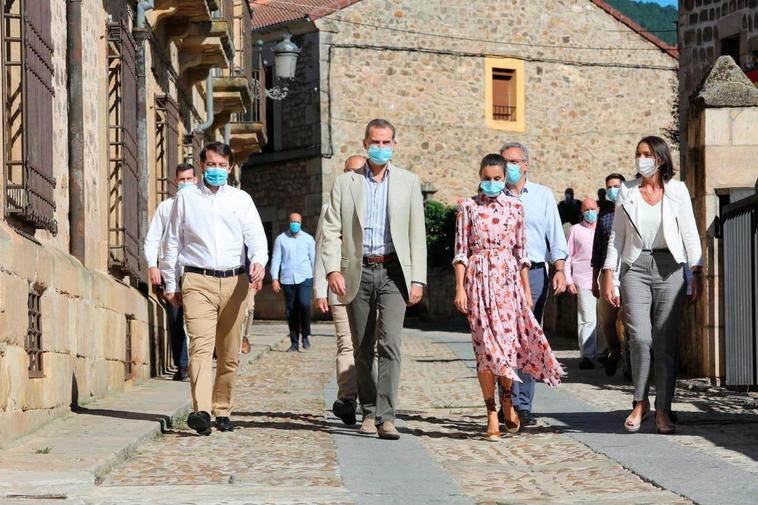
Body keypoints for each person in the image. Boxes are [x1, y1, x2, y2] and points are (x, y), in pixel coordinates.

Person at [321, 119, 427, 440]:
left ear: (394, 145)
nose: (381, 148)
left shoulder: (409, 182)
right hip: (359, 269)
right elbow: (331, 230)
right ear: (365, 144)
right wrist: (332, 269)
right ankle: (367, 410)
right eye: (375, 142)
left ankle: (387, 416)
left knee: (391, 344)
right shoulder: (345, 183)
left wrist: (418, 279)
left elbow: (416, 234)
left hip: (395, 272)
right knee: (363, 347)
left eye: (386, 142)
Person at [160, 142, 268, 436]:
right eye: (211, 164)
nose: (216, 170)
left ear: (230, 168)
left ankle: (222, 409)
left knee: (229, 352)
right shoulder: (186, 199)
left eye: (222, 165)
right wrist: (171, 282)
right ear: (202, 166)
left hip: (235, 282)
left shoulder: (241, 199)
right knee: (200, 347)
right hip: (197, 280)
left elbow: (256, 237)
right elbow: (172, 242)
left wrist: (258, 261)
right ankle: (201, 411)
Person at [454, 154, 563, 441]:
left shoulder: (515, 207)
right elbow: (461, 252)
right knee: (484, 349)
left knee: (506, 346)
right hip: (477, 281)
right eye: (487, 178)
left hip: (507, 282)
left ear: (504, 179)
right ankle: (491, 412)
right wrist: (460, 288)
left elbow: (521, 252)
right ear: (479, 175)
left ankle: (507, 399)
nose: (491, 183)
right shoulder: (467, 207)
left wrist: (527, 290)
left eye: (497, 179)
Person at [601, 136, 702, 435]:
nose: (640, 159)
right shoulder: (627, 192)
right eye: (637, 154)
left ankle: (663, 411)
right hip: (635, 267)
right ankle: (640, 402)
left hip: (670, 268)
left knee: (665, 341)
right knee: (640, 338)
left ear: (660, 158)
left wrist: (696, 272)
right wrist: (609, 272)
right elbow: (617, 237)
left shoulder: (677, 190)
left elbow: (690, 234)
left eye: (646, 154)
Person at [500, 142, 568, 427]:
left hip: (536, 273)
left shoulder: (542, 196)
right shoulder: (492, 195)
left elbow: (554, 232)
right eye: (504, 162)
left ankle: (523, 404)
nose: (509, 168)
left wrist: (560, 269)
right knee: (504, 338)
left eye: (514, 162)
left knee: (527, 337)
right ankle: (506, 403)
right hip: (501, 274)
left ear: (525, 164)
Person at [315, 154, 367, 426]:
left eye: (358, 171)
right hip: (340, 287)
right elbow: (322, 248)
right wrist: (320, 290)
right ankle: (348, 398)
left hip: (371, 285)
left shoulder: (375, 204)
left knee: (370, 346)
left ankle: (369, 399)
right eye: (348, 171)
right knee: (346, 343)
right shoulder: (329, 208)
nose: (353, 176)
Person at [143, 163, 196, 381]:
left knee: (196, 320)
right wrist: (152, 265)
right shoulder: (166, 208)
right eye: (181, 180)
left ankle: (197, 362)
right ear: (176, 182)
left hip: (196, 271)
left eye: (189, 179)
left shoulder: (202, 207)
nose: (185, 183)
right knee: (175, 320)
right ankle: (182, 365)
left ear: (195, 180)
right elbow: (153, 237)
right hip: (171, 272)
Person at [591, 173, 627, 377]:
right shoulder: (604, 219)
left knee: (627, 321)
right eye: (609, 187)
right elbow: (597, 251)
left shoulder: (633, 213)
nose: (612, 190)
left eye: (616, 186)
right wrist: (595, 279)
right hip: (607, 276)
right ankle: (614, 351)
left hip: (629, 273)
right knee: (607, 320)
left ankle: (629, 365)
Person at [565, 198, 602, 369]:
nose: (590, 212)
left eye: (592, 209)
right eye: (586, 209)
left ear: (598, 209)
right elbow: (568, 256)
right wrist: (568, 279)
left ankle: (603, 353)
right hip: (583, 279)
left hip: (603, 279)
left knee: (604, 319)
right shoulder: (575, 230)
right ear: (581, 211)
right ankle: (587, 355)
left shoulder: (604, 229)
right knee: (587, 318)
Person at [271, 212, 316, 352]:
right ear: (289, 222)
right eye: (293, 221)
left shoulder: (308, 239)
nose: (295, 224)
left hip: (305, 277)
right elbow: (276, 258)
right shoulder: (281, 239)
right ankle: (294, 342)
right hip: (287, 279)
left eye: (297, 221)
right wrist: (274, 278)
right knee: (291, 311)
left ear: (301, 223)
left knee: (304, 304)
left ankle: (306, 335)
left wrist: (317, 280)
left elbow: (314, 259)